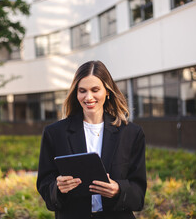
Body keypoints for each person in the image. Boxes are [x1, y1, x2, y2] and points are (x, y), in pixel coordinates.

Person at [37, 60, 147, 219]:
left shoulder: (131, 133)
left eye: (95, 90)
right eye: (82, 90)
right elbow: (45, 186)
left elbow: (138, 193)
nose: (88, 97)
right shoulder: (55, 133)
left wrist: (118, 190)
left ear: (107, 91)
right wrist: (58, 187)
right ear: (76, 93)